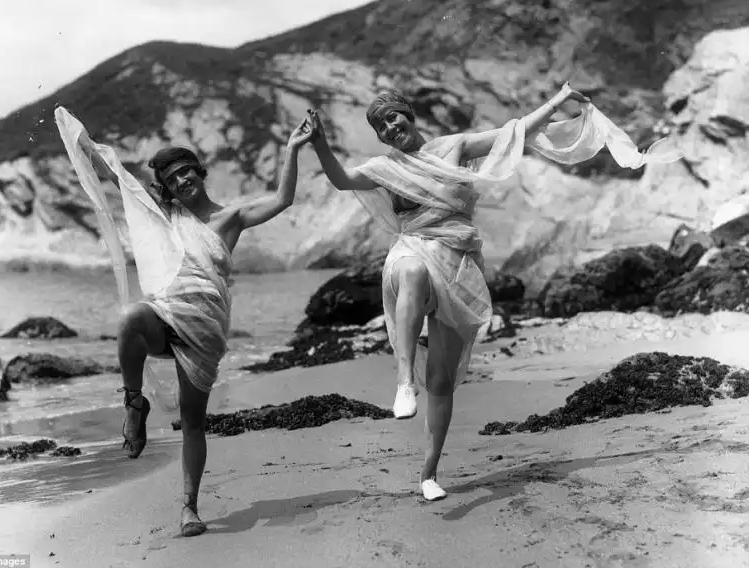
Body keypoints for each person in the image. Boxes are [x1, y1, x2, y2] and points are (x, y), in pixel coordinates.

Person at [305, 83, 679, 501]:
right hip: (412, 250)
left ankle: (429, 474)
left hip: (457, 262)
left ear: (409, 115)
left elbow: (514, 132)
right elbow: (340, 179)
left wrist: (557, 100)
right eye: (380, 126)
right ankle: (403, 380)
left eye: (393, 117)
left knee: (442, 382)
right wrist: (320, 144)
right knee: (411, 272)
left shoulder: (454, 146)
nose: (389, 128)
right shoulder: (385, 167)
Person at [55, 107, 315, 536]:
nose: (181, 182)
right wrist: (85, 142)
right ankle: (134, 403)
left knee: (194, 422)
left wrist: (292, 148)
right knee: (130, 319)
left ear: (199, 171)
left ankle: (189, 508)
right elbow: (123, 182)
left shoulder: (229, 218)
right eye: (172, 179)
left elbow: (283, 199)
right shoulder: (167, 215)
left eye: (186, 173)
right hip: (167, 314)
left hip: (206, 329)